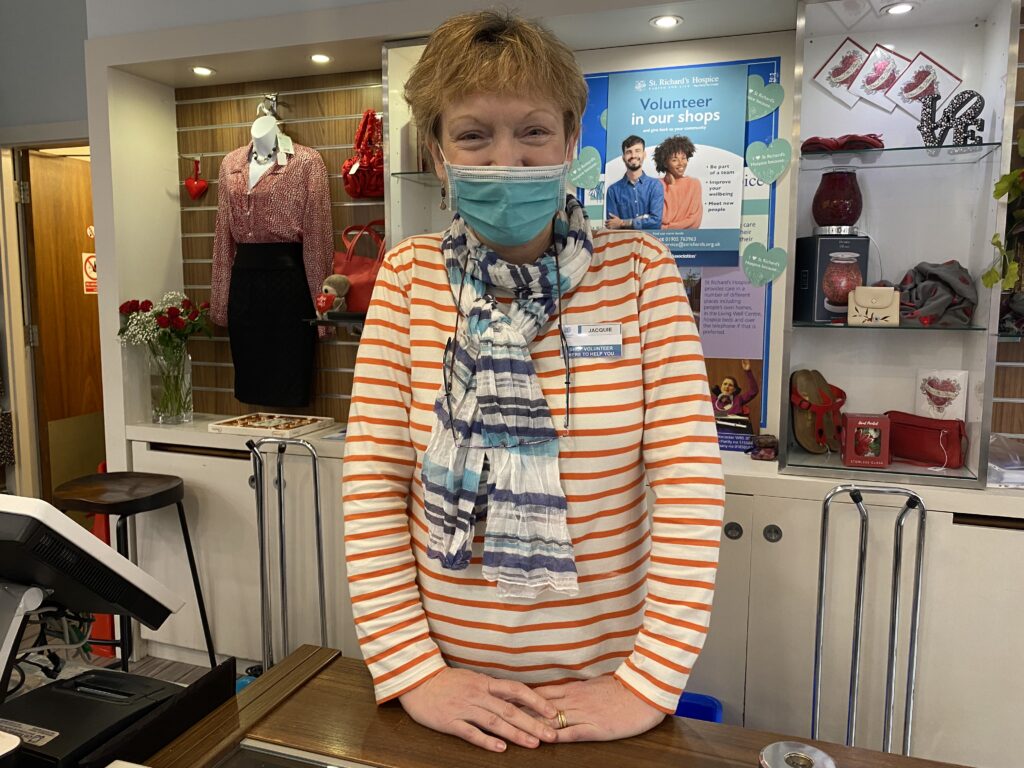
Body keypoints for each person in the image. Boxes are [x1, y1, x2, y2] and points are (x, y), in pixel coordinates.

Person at [342, 10, 724, 754]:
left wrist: (649, 681)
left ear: (571, 142)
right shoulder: (406, 278)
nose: (507, 160)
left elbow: (689, 486)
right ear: (438, 151)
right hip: (451, 695)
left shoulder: (642, 275)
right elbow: (373, 485)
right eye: (473, 134)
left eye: (533, 131)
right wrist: (413, 671)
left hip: (602, 691)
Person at [604, 136, 664, 230]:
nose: (633, 155)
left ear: (644, 154)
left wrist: (623, 222)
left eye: (637, 151)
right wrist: (643, 219)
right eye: (629, 152)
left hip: (649, 243)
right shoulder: (613, 190)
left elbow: (656, 222)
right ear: (623, 157)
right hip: (624, 244)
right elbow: (612, 225)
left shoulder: (655, 186)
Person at [654, 135, 703, 230]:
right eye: (674, 160)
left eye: (683, 158)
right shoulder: (656, 185)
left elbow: (695, 222)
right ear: (665, 163)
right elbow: (665, 218)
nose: (681, 163)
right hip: (661, 242)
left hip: (688, 240)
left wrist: (667, 228)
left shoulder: (694, 184)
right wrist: (672, 186)